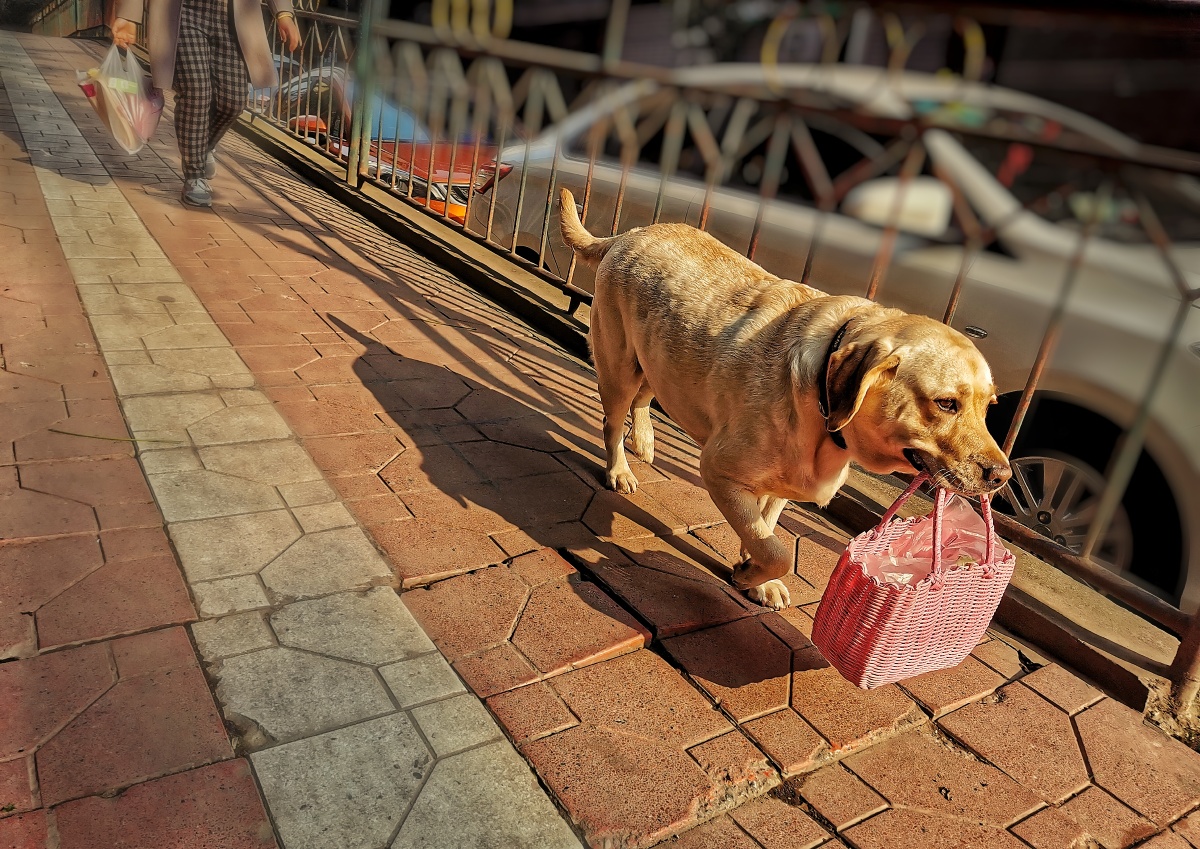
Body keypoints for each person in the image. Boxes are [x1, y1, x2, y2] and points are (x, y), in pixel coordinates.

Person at [111, 0, 301, 208]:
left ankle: (203, 147)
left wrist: (283, 13)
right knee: (196, 92)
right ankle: (194, 176)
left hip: (233, 15)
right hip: (182, 12)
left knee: (233, 101)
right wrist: (128, 15)